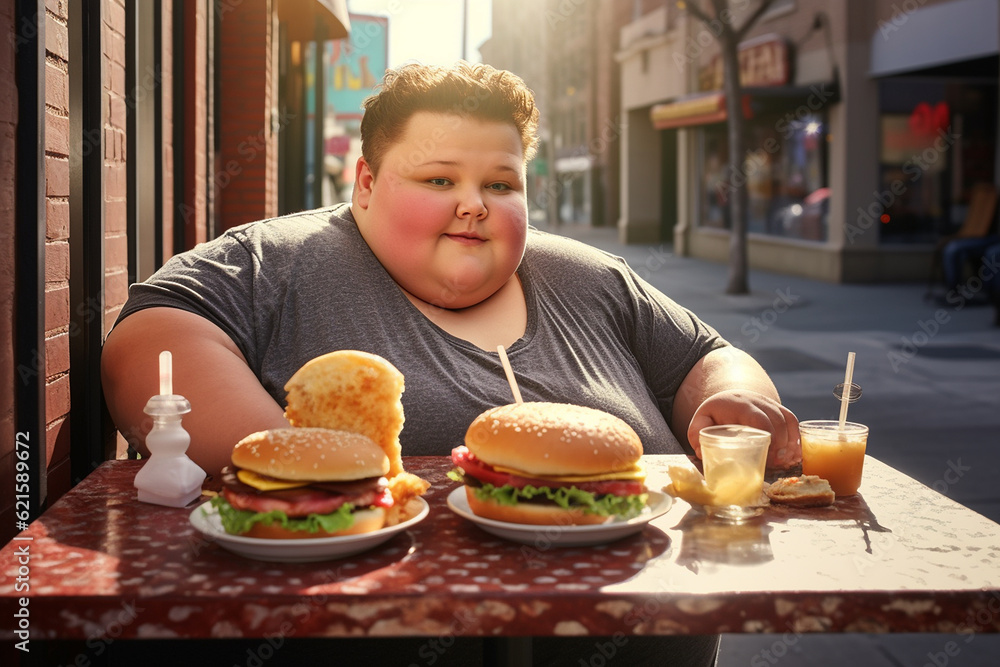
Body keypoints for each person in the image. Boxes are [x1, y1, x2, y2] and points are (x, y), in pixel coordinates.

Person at [101, 62, 800, 666]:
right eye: (439, 178)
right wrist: (301, 482)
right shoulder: (275, 261)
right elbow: (150, 336)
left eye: (501, 184)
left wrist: (733, 400)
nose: (474, 204)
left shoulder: (593, 278)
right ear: (367, 181)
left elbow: (710, 355)